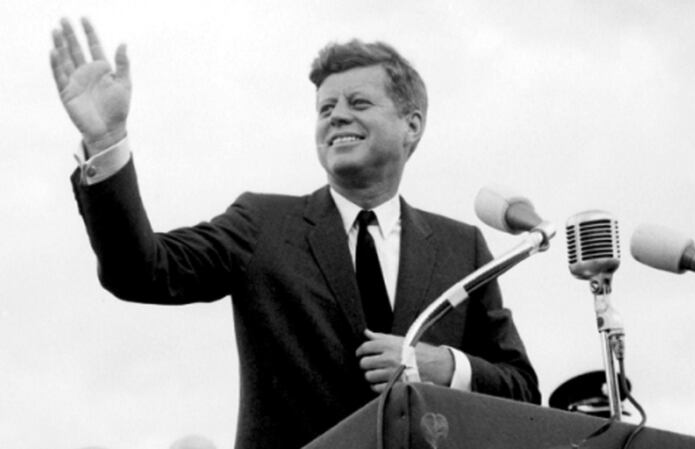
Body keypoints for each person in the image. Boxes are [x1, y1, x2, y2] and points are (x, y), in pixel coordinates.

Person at [49, 17, 541, 449]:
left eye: (358, 102)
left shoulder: (463, 248)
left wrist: (444, 367)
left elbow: (522, 389)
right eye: (325, 108)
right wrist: (107, 142)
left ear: (411, 125)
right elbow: (141, 271)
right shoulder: (262, 225)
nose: (337, 116)